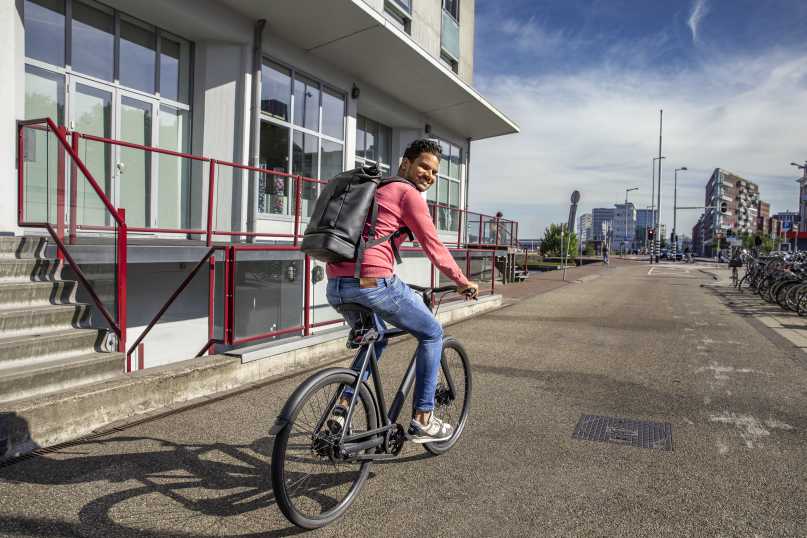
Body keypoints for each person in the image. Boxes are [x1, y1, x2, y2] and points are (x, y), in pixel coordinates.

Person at [325, 139, 479, 443]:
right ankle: (423, 417)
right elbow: (433, 247)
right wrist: (462, 281)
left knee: (376, 338)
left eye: (434, 172)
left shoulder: (374, 188)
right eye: (424, 166)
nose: (429, 176)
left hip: (337, 285)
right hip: (372, 283)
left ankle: (342, 408)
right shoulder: (407, 193)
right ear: (405, 163)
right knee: (433, 332)